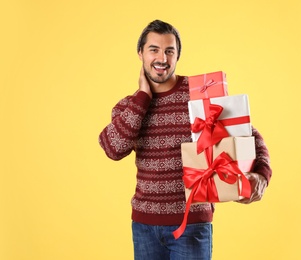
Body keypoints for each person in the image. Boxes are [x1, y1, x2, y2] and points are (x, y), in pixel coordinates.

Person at [98, 20, 272, 260]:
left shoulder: (199, 93)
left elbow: (249, 134)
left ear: (178, 55)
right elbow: (113, 149)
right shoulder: (129, 105)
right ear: (140, 53)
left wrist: (262, 173)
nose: (162, 58)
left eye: (170, 51)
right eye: (154, 49)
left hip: (192, 225)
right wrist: (142, 98)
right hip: (144, 227)